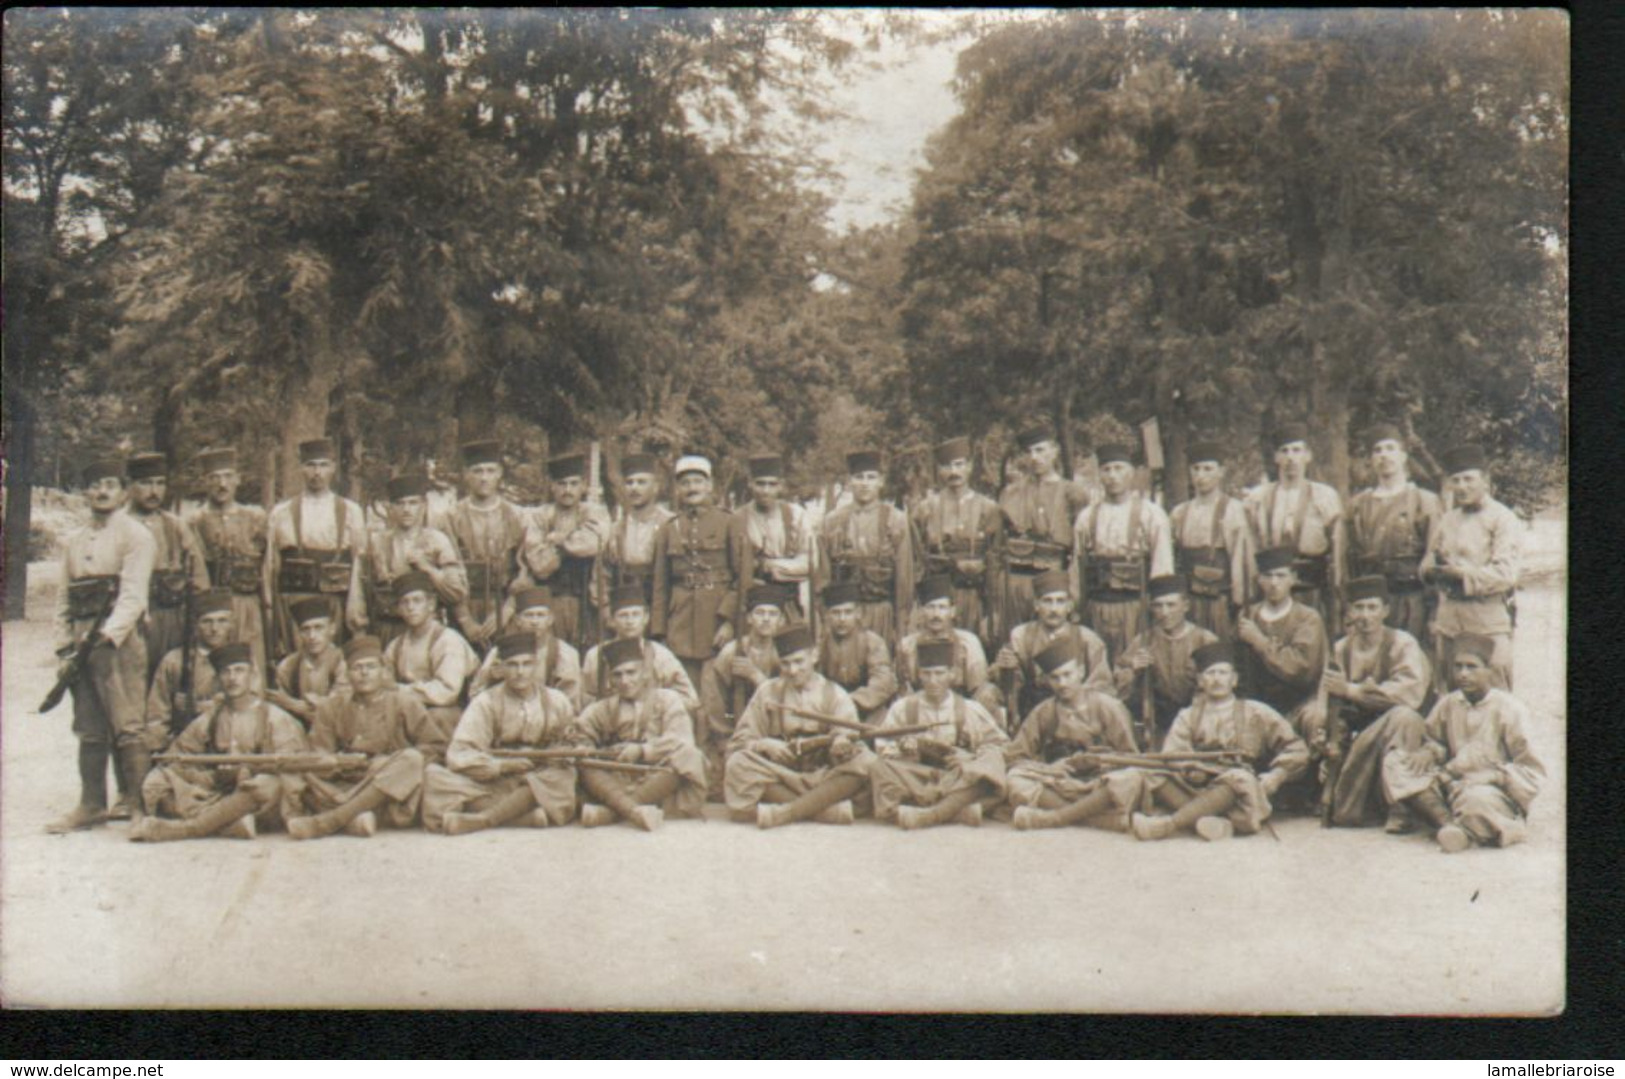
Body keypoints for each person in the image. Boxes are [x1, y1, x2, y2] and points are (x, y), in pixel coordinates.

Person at [47, 459, 157, 833]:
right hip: (82, 642)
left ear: (123, 492)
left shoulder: (135, 535)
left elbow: (133, 596)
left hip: (117, 643)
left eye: (110, 484)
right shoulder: (74, 542)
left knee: (128, 725)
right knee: (89, 726)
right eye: (94, 485)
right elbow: (64, 596)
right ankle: (91, 804)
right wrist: (64, 645)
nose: (102, 491)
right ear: (85, 493)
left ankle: (140, 807)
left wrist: (109, 638)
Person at [1127, 642, 1310, 842]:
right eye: (1210, 673)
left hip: (1238, 792)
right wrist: (1189, 768)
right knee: (1151, 773)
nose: (1216, 679)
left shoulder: (1257, 712)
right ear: (1200, 681)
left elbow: (1296, 749)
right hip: (1194, 787)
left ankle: (1169, 825)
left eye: (1223, 673)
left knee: (1239, 778)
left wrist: (1276, 775)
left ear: (1234, 680)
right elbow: (1173, 754)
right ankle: (1211, 820)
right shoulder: (1188, 716)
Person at [1381, 634, 1544, 852]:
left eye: (1472, 667)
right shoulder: (1449, 703)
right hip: (1450, 783)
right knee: (1396, 762)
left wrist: (1495, 776)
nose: (1463, 674)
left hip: (1490, 790)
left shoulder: (1510, 709)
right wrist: (1429, 752)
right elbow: (1435, 740)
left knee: (1477, 801)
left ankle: (1466, 828)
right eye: (1458, 667)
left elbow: (1532, 771)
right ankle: (1449, 825)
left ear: (1490, 670)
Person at [132, 644, 310, 842]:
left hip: (256, 797)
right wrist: (205, 777)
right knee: (157, 779)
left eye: (239, 671)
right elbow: (178, 757)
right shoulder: (210, 718)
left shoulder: (275, 718)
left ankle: (188, 829)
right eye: (225, 672)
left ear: (251, 675)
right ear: (218, 679)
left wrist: (250, 770)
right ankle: (230, 825)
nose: (232, 678)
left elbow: (293, 768)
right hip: (218, 791)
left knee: (267, 785)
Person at [422, 633, 581, 834]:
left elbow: (572, 742)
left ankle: (484, 819)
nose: (520, 672)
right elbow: (459, 753)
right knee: (436, 778)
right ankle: (523, 817)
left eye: (527, 664)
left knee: (564, 775)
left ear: (537, 664)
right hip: (495, 780)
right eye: (513, 665)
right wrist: (501, 766)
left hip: (537, 779)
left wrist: (561, 753)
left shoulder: (557, 700)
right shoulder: (485, 702)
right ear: (501, 667)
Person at [724, 625, 876, 828]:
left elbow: (848, 733)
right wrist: (764, 744)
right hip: (781, 774)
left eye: (799, 662)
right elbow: (740, 741)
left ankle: (786, 812)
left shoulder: (835, 694)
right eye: (785, 664)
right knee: (737, 763)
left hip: (824, 775)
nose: (792, 671)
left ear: (814, 656)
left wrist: (841, 743)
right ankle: (822, 810)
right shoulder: (767, 692)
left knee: (867, 761)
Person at [285, 635, 434, 839]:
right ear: (347, 674)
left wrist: (386, 764)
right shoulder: (331, 707)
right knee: (296, 770)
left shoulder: (405, 703)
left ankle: (330, 822)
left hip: (389, 787)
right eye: (357, 668)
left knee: (412, 760)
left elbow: (435, 747)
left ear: (383, 671)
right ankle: (356, 819)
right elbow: (320, 751)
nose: (364, 673)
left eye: (371, 667)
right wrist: (332, 762)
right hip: (344, 785)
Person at [1321, 577, 1433, 829]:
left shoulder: (1402, 644)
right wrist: (1330, 737)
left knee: (1404, 716)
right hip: (1361, 735)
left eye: (1372, 607)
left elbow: (1408, 695)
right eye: (1358, 607)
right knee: (1347, 814)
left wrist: (1352, 690)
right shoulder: (1341, 649)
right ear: (1348, 611)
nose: (1365, 615)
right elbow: (1328, 700)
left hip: (1402, 734)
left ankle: (1400, 806)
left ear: (1386, 610)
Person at [570, 637, 710, 830]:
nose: (625, 681)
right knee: (580, 761)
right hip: (617, 779)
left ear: (645, 672)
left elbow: (680, 739)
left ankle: (613, 812)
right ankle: (634, 810)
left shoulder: (668, 699)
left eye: (631, 673)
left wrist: (643, 751)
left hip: (659, 777)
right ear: (610, 680)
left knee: (690, 756)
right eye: (617, 675)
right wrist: (587, 749)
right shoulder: (602, 708)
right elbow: (580, 736)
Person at [1002, 638, 1140, 831]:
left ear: (1081, 672)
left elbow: (1131, 756)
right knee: (1016, 778)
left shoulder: (1108, 706)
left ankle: (1055, 818)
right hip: (1061, 782)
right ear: (1047, 680)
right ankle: (1097, 820)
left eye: (1068, 675)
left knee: (1131, 778)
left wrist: (1101, 761)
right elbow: (1015, 757)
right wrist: (1052, 768)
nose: (1062, 683)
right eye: (1055, 677)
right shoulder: (1044, 712)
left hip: (1099, 784)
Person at [870, 640, 1010, 829]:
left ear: (952, 674)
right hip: (919, 776)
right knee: (879, 767)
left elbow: (1002, 746)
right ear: (918, 675)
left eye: (939, 673)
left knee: (992, 761)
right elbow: (883, 744)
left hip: (958, 778)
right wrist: (903, 751)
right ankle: (956, 812)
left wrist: (969, 757)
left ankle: (932, 815)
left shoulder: (970, 709)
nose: (933, 680)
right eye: (926, 674)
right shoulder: (903, 708)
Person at [1421, 444, 1519, 693]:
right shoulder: (1448, 519)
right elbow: (1427, 563)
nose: (1462, 487)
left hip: (1487, 621)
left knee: (1494, 695)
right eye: (1456, 480)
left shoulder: (1502, 518)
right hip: (1450, 622)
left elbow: (1506, 573)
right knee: (1451, 694)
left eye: (1468, 479)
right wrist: (1433, 571)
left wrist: (1462, 574)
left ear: (1485, 480)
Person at [264, 437, 367, 656]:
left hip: (334, 603)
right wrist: (273, 613)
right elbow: (271, 567)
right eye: (310, 465)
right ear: (301, 468)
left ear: (333, 468)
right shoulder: (281, 513)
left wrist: (355, 609)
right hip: (294, 602)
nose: (316, 472)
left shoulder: (350, 511)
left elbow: (358, 563)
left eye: (323, 465)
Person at [1074, 442, 1173, 663]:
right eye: (1106, 470)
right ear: (1099, 474)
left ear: (1131, 473)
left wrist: (1159, 610)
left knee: (1134, 664)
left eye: (1119, 468)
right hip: (1097, 605)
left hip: (1136, 607)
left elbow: (1162, 567)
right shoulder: (1086, 517)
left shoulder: (1152, 515)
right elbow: (1077, 567)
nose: (1113, 476)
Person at [650, 454, 743, 689]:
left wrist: (729, 621)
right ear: (677, 489)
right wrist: (659, 632)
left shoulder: (729, 523)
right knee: (684, 692)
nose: (692, 488)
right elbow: (660, 586)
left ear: (710, 485)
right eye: (685, 483)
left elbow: (742, 577)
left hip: (716, 622)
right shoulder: (668, 529)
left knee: (715, 695)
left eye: (698, 481)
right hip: (679, 625)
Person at [1245, 422, 1345, 634]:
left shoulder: (1325, 496)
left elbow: (1337, 548)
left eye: (1297, 450)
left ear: (1307, 455)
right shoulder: (1258, 498)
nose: (1291, 457)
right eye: (1284, 451)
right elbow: (1251, 545)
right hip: (1272, 589)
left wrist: (1336, 590)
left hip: (1311, 588)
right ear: (1276, 457)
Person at [1347, 424, 1443, 647]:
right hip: (1373, 606)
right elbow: (1350, 560)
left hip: (1413, 601)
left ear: (1403, 456)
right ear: (1370, 459)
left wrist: (1434, 612)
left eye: (1390, 448)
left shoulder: (1423, 500)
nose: (1384, 455)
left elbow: (1435, 557)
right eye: (1377, 450)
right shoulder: (1358, 505)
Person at [124, 452, 212, 678]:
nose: (154, 491)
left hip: (173, 620)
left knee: (171, 682)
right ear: (130, 485)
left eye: (160, 483)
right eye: (146, 483)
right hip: (130, 622)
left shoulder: (176, 526)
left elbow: (200, 581)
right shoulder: (118, 526)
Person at [995, 427, 1088, 640]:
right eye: (1029, 452)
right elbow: (999, 545)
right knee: (1013, 641)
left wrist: (1074, 595)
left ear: (1054, 451)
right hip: (1015, 582)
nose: (1034, 458)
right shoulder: (1010, 493)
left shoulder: (1073, 493)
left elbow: (1079, 551)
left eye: (1040, 450)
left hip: (1053, 580)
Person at [698, 584, 788, 798]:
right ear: (749, 618)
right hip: (736, 727)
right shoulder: (732, 652)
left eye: (772, 614)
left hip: (775, 724)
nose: (766, 619)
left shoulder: (785, 652)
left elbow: (788, 700)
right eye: (760, 613)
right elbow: (714, 698)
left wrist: (756, 676)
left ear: (781, 620)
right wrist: (724, 738)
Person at [1235, 547, 1329, 751]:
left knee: (1315, 720)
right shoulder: (1248, 616)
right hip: (1258, 706)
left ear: (1293, 579)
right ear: (1259, 580)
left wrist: (1260, 642)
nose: (1274, 583)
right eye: (1267, 576)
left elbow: (1301, 669)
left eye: (1281, 575)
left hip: (1300, 705)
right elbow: (1237, 667)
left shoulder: (1307, 618)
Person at [992, 569, 1115, 726]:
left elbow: (1102, 684)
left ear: (1070, 606)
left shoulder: (1087, 639)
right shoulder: (1021, 635)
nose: (1054, 609)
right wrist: (1005, 669)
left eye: (1060, 601)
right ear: (1036, 605)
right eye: (1047, 601)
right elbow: (1013, 686)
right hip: (1034, 713)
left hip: (1077, 714)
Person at [817, 449, 915, 645]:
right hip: (843, 615)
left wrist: (901, 624)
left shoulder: (896, 520)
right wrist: (825, 619)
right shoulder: (832, 522)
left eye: (871, 477)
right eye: (859, 477)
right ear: (849, 482)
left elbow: (904, 578)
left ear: (881, 481)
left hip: (881, 612)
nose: (865, 483)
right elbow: (823, 578)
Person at [910, 437, 1001, 646]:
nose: (954, 472)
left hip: (974, 596)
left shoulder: (988, 508)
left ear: (969, 467)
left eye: (959, 464)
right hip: (937, 598)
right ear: (939, 470)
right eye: (947, 466)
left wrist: (992, 609)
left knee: (973, 648)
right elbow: (917, 561)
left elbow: (995, 560)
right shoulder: (925, 510)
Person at [1111, 575, 1220, 749]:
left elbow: (1221, 689)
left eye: (1171, 605)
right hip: (1158, 725)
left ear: (1185, 606)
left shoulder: (1205, 640)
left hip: (1200, 722)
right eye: (1158, 605)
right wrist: (1133, 669)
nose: (1165, 612)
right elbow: (1118, 690)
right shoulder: (1143, 641)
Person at [380, 571, 479, 762]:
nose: (411, 608)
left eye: (417, 601)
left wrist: (400, 691)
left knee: (436, 716)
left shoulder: (447, 640)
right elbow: (384, 683)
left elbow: (446, 692)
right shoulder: (396, 645)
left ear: (431, 604)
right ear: (398, 609)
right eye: (405, 602)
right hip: (413, 711)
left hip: (450, 713)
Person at [189, 447, 270, 673]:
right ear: (205, 482)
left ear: (237, 480)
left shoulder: (255, 518)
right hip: (213, 608)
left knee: (251, 664)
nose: (221, 484)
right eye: (214, 478)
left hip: (247, 603)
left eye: (227, 476)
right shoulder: (195, 521)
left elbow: (267, 564)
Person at [520, 452, 610, 653]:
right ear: (552, 485)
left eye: (573, 483)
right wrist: (574, 542)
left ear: (583, 485)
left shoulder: (595, 512)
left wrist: (558, 540)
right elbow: (540, 565)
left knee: (587, 654)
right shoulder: (538, 516)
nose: (567, 490)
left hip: (586, 602)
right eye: (561, 484)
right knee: (551, 654)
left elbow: (593, 544)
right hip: (550, 601)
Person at [365, 472, 468, 646]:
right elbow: (362, 588)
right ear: (391, 507)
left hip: (427, 630)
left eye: (413, 503)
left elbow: (456, 591)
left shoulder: (437, 540)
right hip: (388, 627)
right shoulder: (378, 543)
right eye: (400, 503)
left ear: (423, 505)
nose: (407, 509)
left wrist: (426, 567)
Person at [445, 440, 528, 651]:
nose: (484, 478)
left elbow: (527, 568)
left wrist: (508, 608)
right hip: (465, 605)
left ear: (499, 473)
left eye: (490, 471)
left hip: (505, 605)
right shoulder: (451, 517)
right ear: (466, 474)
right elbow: (447, 568)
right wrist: (464, 619)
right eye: (477, 471)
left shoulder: (517, 516)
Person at [145, 590, 256, 743]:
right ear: (195, 625)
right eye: (207, 621)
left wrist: (211, 707)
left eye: (222, 621)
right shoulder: (173, 661)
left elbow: (255, 704)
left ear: (231, 624)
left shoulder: (243, 660)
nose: (215, 629)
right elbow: (156, 715)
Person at [895, 575, 1005, 728]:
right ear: (921, 611)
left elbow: (978, 687)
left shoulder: (968, 642)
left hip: (961, 711)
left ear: (952, 611)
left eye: (942, 607)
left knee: (988, 694)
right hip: (921, 711)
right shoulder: (907, 645)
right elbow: (904, 689)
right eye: (930, 607)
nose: (936, 614)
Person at [1168, 440, 1251, 640]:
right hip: (1187, 599)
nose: (1201, 476)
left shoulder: (1233, 510)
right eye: (1196, 469)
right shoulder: (1180, 513)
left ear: (1221, 472)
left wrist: (1239, 603)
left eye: (1208, 469)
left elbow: (1240, 560)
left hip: (1218, 599)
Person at [467, 585, 583, 707]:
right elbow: (475, 695)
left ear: (550, 620)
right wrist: (491, 678)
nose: (534, 621)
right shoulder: (501, 651)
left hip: (548, 716)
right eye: (529, 615)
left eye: (540, 615)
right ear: (518, 620)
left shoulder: (564, 653)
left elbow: (570, 702)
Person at [736, 453, 815, 623]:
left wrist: (769, 566)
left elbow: (810, 562)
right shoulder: (737, 519)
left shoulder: (796, 515)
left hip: (787, 604)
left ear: (781, 486)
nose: (766, 490)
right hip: (751, 607)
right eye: (760, 484)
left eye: (772, 484)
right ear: (750, 483)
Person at [813, 580, 899, 723]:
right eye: (836, 613)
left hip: (867, 708)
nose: (842, 619)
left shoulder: (873, 642)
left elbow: (882, 683)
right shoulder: (820, 644)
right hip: (831, 710)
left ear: (858, 613)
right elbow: (814, 681)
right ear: (826, 615)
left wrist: (850, 701)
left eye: (848, 612)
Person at [600, 451, 673, 610]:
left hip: (661, 604)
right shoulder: (616, 529)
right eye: (629, 482)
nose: (634, 488)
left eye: (641, 482)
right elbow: (602, 575)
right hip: (626, 605)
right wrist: (606, 608)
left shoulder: (670, 524)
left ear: (655, 487)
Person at [266, 596, 350, 729]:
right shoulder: (288, 665)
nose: (312, 636)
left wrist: (295, 705)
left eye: (319, 628)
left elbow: (339, 707)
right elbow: (277, 704)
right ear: (299, 633)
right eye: (305, 629)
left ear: (332, 629)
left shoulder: (343, 662)